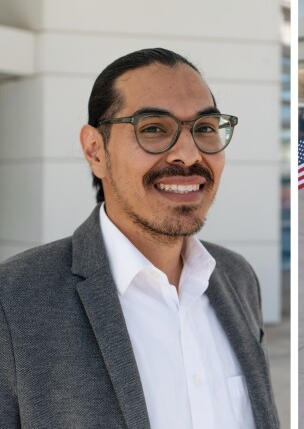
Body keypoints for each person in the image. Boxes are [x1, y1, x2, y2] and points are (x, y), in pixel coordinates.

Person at [0, 48, 279, 428]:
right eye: (153, 128)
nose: (187, 153)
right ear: (95, 150)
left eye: (205, 128)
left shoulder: (237, 277)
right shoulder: (14, 300)